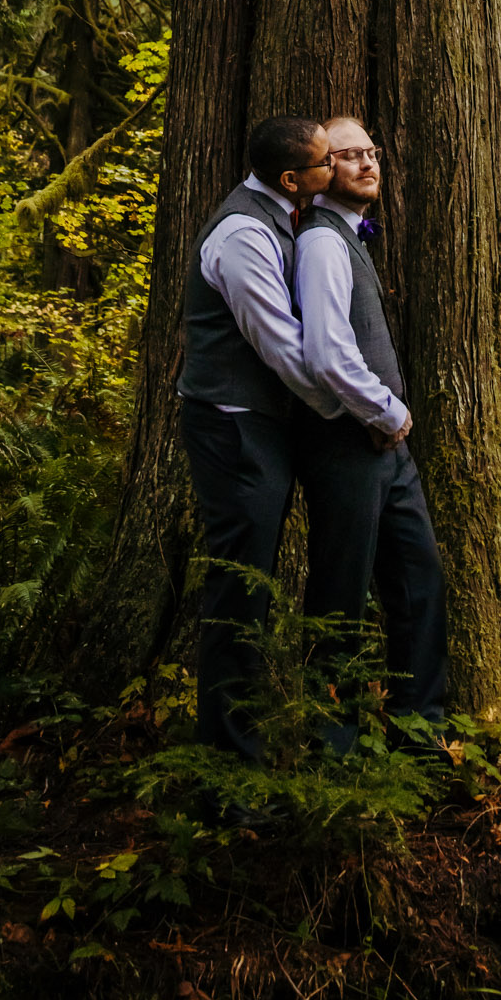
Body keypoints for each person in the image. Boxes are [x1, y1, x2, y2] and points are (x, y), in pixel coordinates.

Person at [178, 114, 339, 765]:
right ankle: (229, 763)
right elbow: (281, 346)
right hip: (233, 426)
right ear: (292, 179)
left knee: (251, 584)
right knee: (242, 591)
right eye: (327, 162)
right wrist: (348, 408)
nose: (336, 169)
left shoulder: (280, 214)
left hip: (251, 423)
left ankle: (236, 747)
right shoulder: (245, 233)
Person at [294, 116, 448, 752]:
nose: (365, 163)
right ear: (323, 171)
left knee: (419, 582)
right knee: (340, 600)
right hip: (348, 446)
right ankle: (335, 753)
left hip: (390, 451)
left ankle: (419, 738)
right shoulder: (323, 242)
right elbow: (326, 352)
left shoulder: (352, 236)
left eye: (370, 152)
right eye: (347, 155)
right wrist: (387, 414)